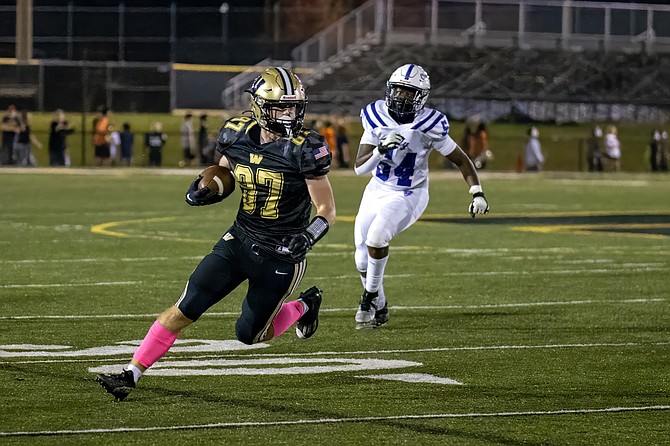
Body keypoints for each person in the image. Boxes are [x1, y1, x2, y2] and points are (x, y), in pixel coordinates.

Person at [96, 66, 336, 401]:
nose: (289, 114)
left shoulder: (305, 148)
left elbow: (327, 210)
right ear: (261, 107)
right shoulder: (236, 133)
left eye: (294, 107)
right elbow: (222, 171)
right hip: (239, 238)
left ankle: (304, 306)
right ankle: (130, 374)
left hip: (281, 253)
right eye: (281, 106)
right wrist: (202, 187)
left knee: (250, 335)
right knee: (186, 306)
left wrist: (308, 236)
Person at [352, 63, 489, 329]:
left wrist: (477, 192)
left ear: (421, 96)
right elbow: (359, 168)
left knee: (377, 237)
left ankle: (368, 298)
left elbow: (462, 160)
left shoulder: (430, 124)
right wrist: (380, 150)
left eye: (408, 91)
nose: (401, 96)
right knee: (360, 258)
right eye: (399, 90)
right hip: (377, 189)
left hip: (409, 193)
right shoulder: (375, 115)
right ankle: (380, 306)